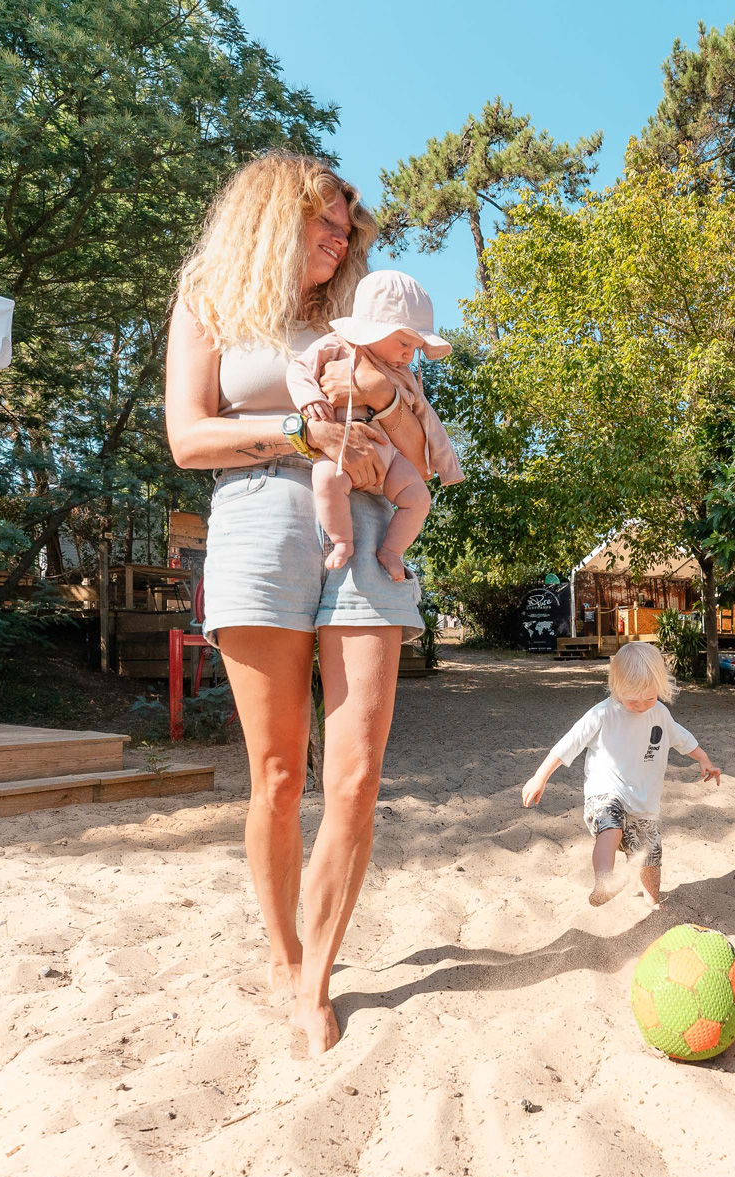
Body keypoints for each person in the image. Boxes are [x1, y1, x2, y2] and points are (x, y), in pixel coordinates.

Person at [163, 152, 427, 1055]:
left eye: (345, 229)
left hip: (367, 523)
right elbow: (187, 437)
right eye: (322, 221)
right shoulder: (211, 296)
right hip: (258, 523)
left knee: (354, 777)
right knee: (278, 776)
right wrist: (292, 427)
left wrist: (388, 392)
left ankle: (317, 983)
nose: (337, 238)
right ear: (272, 217)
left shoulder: (363, 320)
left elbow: (422, 456)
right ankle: (284, 960)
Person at [286, 269, 463, 581]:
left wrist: (443, 462)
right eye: (404, 342)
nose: (409, 354)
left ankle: (391, 551)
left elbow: (426, 421)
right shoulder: (336, 346)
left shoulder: (404, 375)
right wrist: (308, 399)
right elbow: (299, 369)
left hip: (389, 457)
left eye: (416, 347)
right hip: (338, 450)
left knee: (419, 498)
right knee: (326, 480)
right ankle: (342, 541)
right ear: (373, 329)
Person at [521, 642, 723, 907]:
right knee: (611, 824)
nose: (640, 705)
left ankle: (653, 904)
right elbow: (567, 744)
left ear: (660, 689)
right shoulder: (602, 714)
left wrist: (704, 760)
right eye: (631, 699)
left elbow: (683, 740)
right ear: (616, 687)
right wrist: (540, 777)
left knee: (648, 856)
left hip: (643, 802)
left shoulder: (660, 714)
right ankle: (603, 882)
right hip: (605, 792)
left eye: (649, 698)